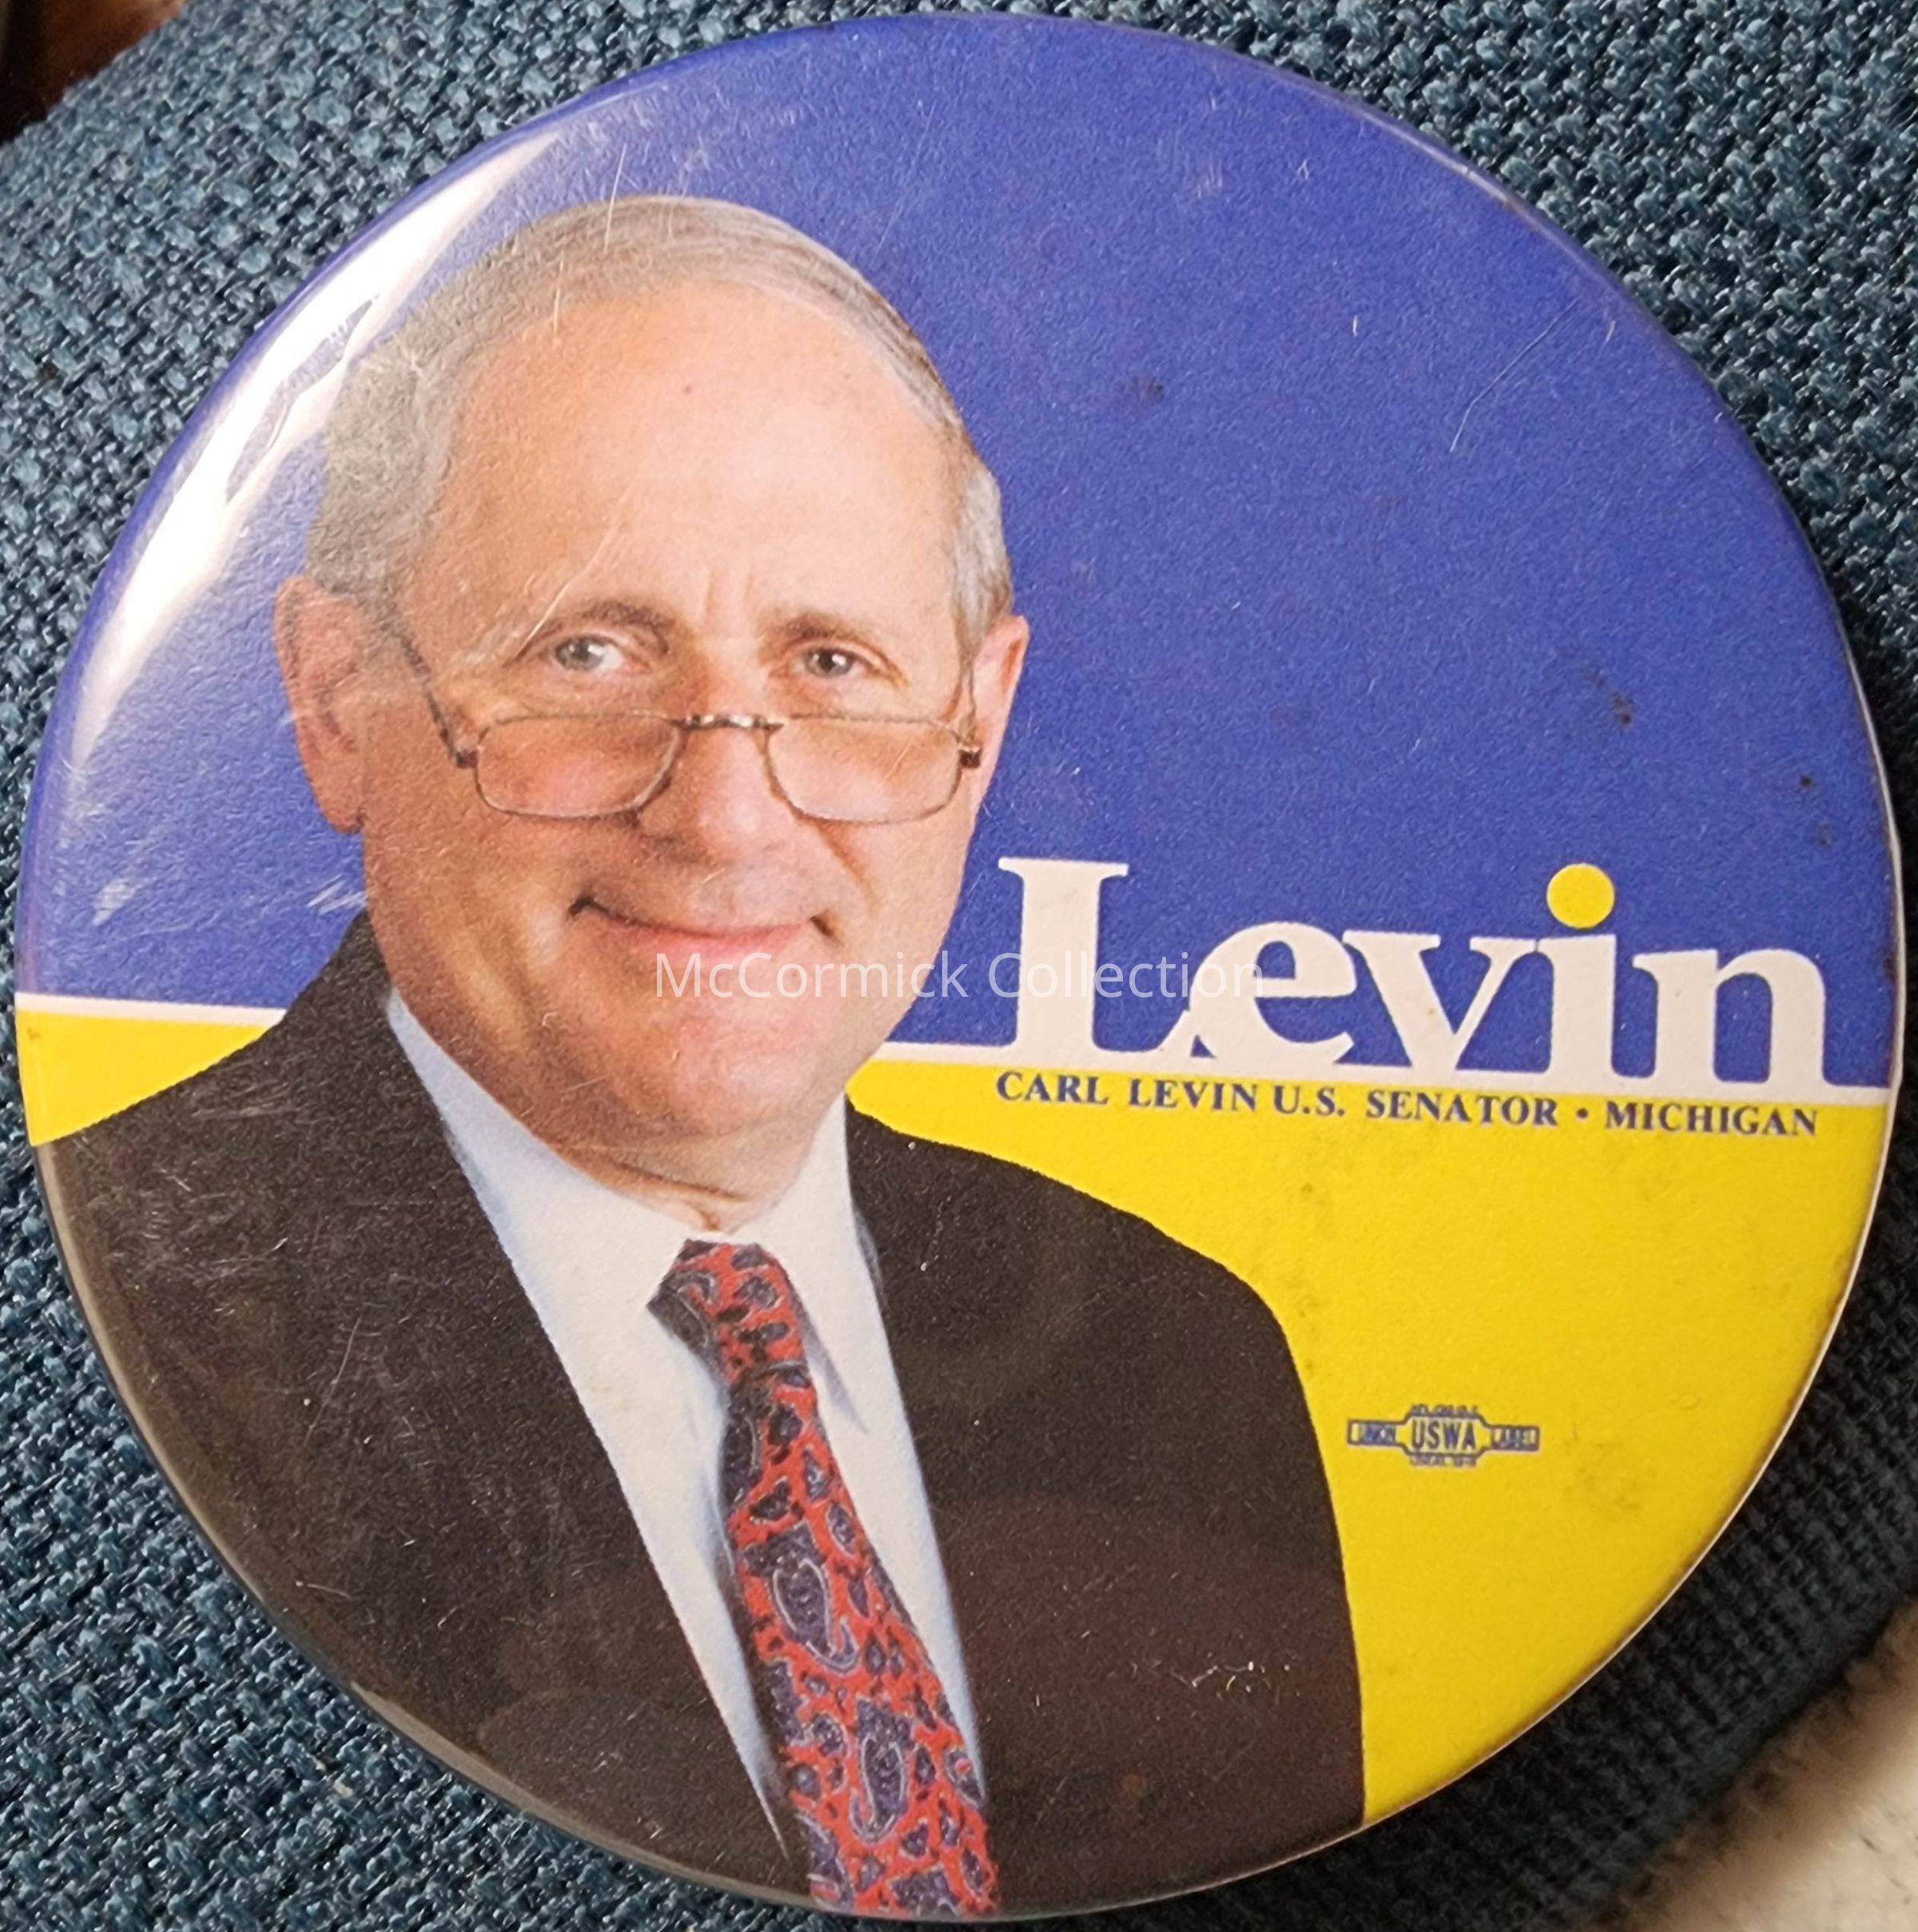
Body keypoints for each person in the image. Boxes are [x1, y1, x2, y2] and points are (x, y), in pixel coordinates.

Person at [45, 196, 1361, 1917]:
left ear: (979, 718)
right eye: (589, 651)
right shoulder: (132, 1337)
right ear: (336, 698)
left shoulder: (1180, 1356)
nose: (728, 815)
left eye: (834, 663)